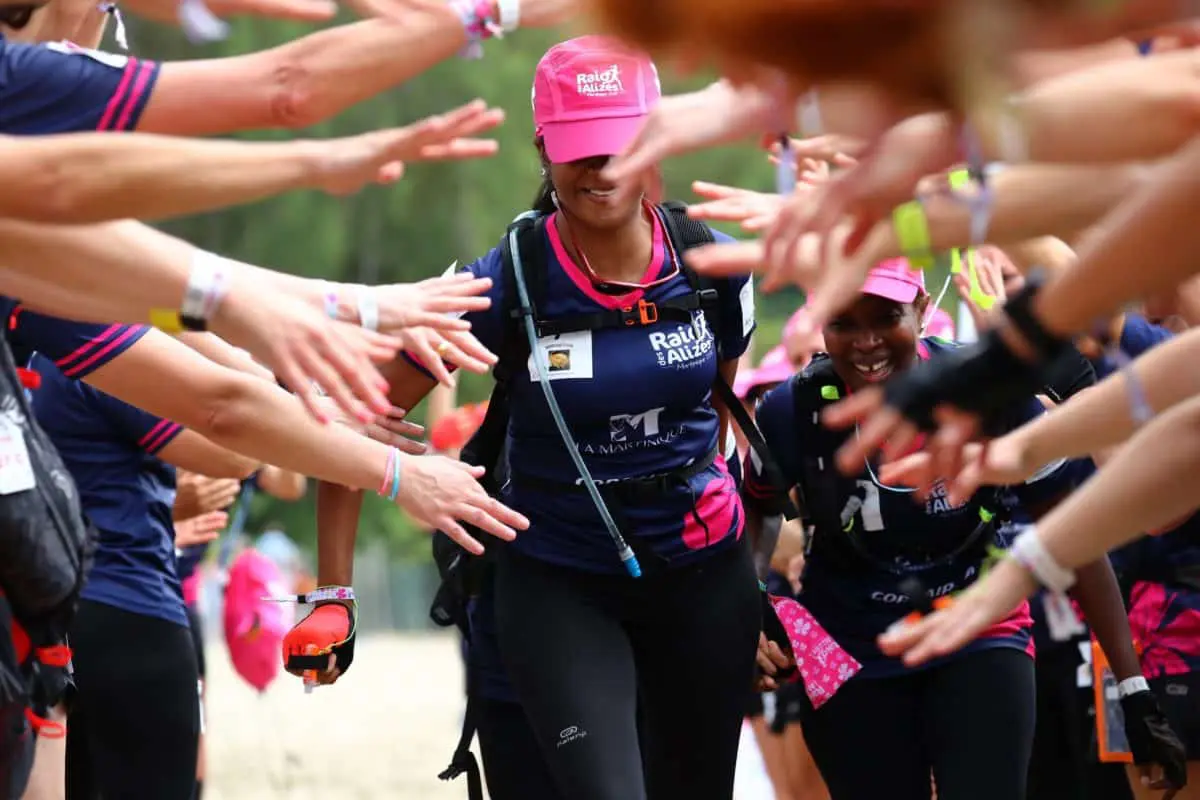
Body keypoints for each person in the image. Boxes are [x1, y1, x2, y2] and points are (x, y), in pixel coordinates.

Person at [309, 35, 759, 800]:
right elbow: (354, 419)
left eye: (620, 144)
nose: (601, 168)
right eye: (580, 149)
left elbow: (719, 411)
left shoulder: (713, 265)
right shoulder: (505, 279)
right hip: (560, 581)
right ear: (543, 149)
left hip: (702, 578)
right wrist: (332, 596)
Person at [744, 258, 1153, 800]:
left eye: (886, 317)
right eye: (844, 324)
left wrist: (1133, 685)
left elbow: (1072, 534)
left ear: (922, 309)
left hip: (979, 630)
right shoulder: (789, 410)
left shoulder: (992, 393)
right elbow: (754, 515)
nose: (867, 342)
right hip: (849, 648)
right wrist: (750, 616)